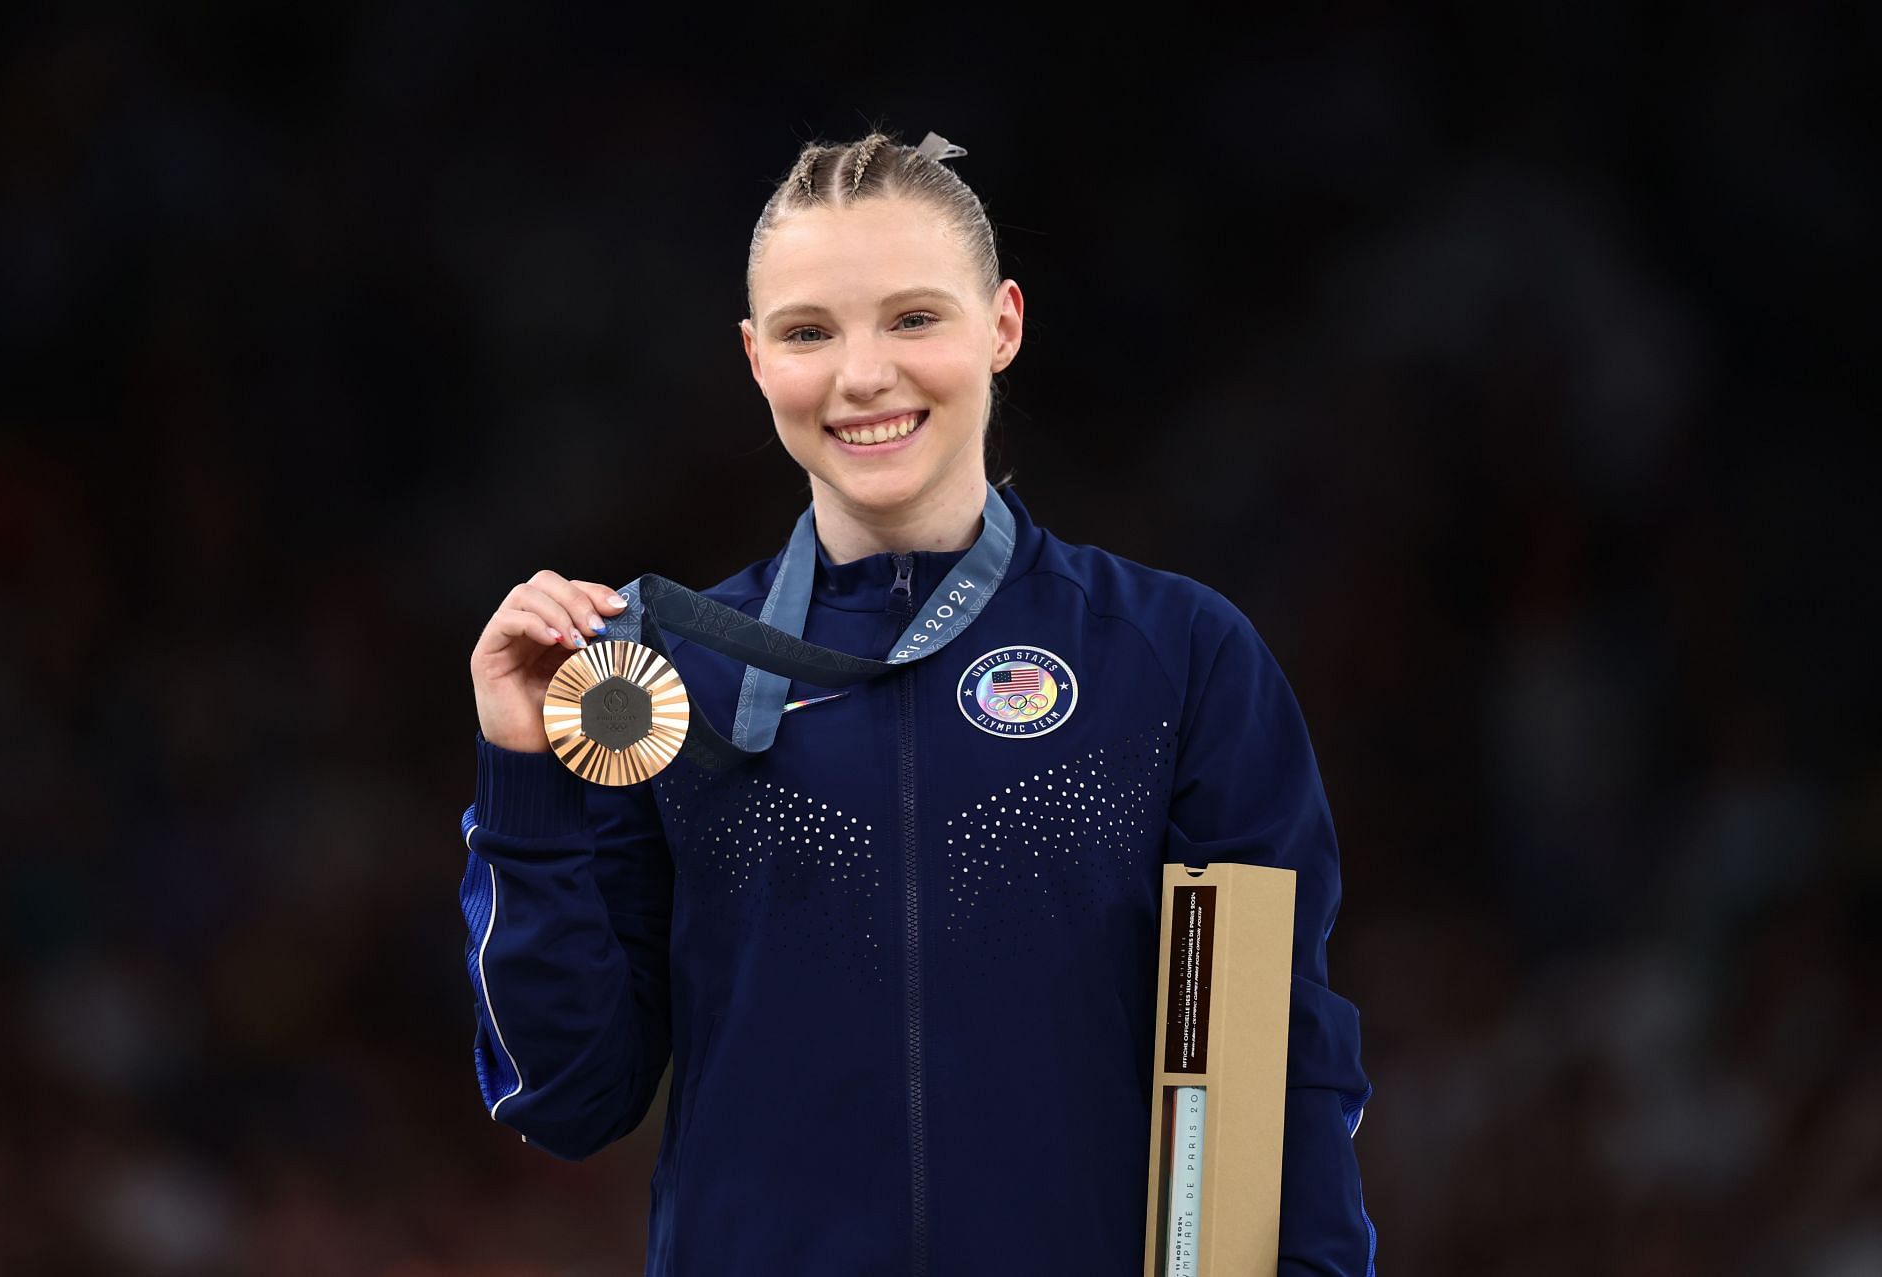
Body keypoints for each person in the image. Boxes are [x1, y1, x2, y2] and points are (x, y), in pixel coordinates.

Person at [459, 128, 1376, 1276]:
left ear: (1003, 324)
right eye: (808, 332)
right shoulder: (665, 682)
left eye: (914, 317)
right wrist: (522, 772)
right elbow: (569, 1093)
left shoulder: (1175, 655)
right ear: (755, 357)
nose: (862, 375)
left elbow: (1273, 1068)